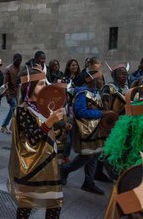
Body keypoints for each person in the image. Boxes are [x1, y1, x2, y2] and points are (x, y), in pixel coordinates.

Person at [8, 66, 64, 219]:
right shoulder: (23, 110)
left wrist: (62, 124)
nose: (45, 87)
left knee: (54, 203)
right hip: (31, 166)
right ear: (29, 87)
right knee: (26, 205)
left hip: (50, 165)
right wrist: (51, 121)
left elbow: (55, 135)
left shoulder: (46, 107)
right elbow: (32, 139)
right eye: (40, 84)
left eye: (45, 83)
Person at [61, 70, 106, 195]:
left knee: (95, 154)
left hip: (95, 129)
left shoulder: (96, 92)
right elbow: (80, 112)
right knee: (87, 155)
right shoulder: (82, 93)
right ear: (90, 80)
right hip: (85, 130)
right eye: (100, 79)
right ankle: (65, 169)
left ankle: (88, 182)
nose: (102, 81)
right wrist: (100, 113)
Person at [102, 85, 143, 218]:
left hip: (129, 174)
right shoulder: (133, 120)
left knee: (125, 206)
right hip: (132, 174)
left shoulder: (129, 118)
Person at [95, 63, 129, 182]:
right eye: (120, 73)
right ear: (114, 75)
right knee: (107, 149)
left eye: (125, 73)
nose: (123, 76)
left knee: (108, 149)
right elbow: (104, 107)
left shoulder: (126, 87)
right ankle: (114, 176)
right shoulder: (108, 87)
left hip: (123, 123)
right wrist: (108, 121)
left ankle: (98, 173)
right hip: (111, 123)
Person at [1, 53, 22, 134]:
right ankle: (4, 125)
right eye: (17, 60)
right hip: (11, 93)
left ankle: (9, 126)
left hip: (18, 93)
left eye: (20, 60)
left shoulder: (21, 68)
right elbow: (5, 84)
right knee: (14, 108)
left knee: (13, 109)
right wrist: (7, 95)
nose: (19, 62)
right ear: (13, 59)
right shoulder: (8, 69)